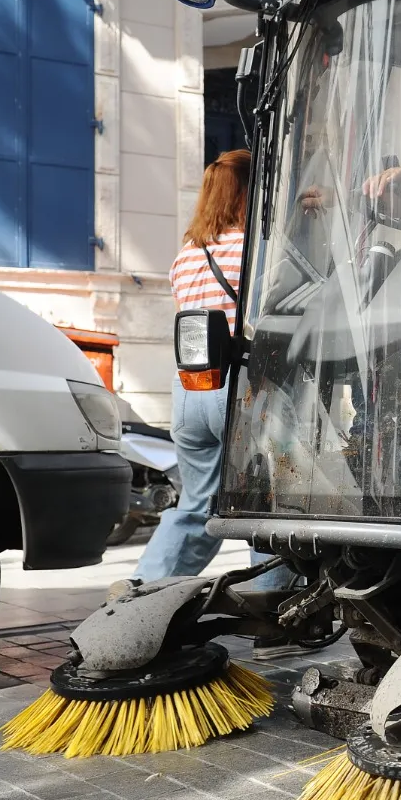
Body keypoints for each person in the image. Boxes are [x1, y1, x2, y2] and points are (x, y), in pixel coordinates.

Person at [130, 149, 301, 657]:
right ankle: (275, 625)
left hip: (189, 394)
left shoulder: (187, 254)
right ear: (254, 192)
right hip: (242, 390)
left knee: (196, 505)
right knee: (268, 506)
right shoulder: (260, 249)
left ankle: (141, 600)